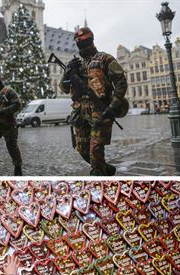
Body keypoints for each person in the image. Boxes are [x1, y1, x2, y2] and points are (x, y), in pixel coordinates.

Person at [59, 26, 128, 176]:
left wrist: (113, 105)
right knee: (83, 150)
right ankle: (105, 169)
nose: (81, 43)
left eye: (84, 40)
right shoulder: (78, 65)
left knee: (95, 150)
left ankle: (99, 176)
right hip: (80, 113)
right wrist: (67, 73)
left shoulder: (105, 58)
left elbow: (121, 81)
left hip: (100, 111)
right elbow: (64, 88)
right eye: (78, 41)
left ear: (91, 40)